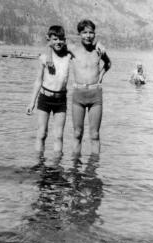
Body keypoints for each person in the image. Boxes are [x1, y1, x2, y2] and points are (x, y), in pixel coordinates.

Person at [47, 19, 111, 157]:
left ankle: (93, 169)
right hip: (78, 95)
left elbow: (108, 63)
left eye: (91, 32)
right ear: (79, 34)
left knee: (94, 134)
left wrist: (101, 76)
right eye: (84, 32)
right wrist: (49, 59)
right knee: (77, 133)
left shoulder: (99, 50)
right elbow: (51, 43)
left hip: (95, 95)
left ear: (94, 34)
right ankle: (75, 168)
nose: (88, 35)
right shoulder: (73, 49)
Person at [26, 25, 72, 158]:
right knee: (41, 134)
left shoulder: (68, 56)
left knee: (58, 136)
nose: (58, 42)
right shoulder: (44, 58)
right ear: (50, 39)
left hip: (60, 100)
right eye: (55, 39)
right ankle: (39, 163)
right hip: (45, 98)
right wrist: (31, 103)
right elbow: (38, 81)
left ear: (65, 39)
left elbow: (80, 51)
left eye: (61, 39)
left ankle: (56, 166)